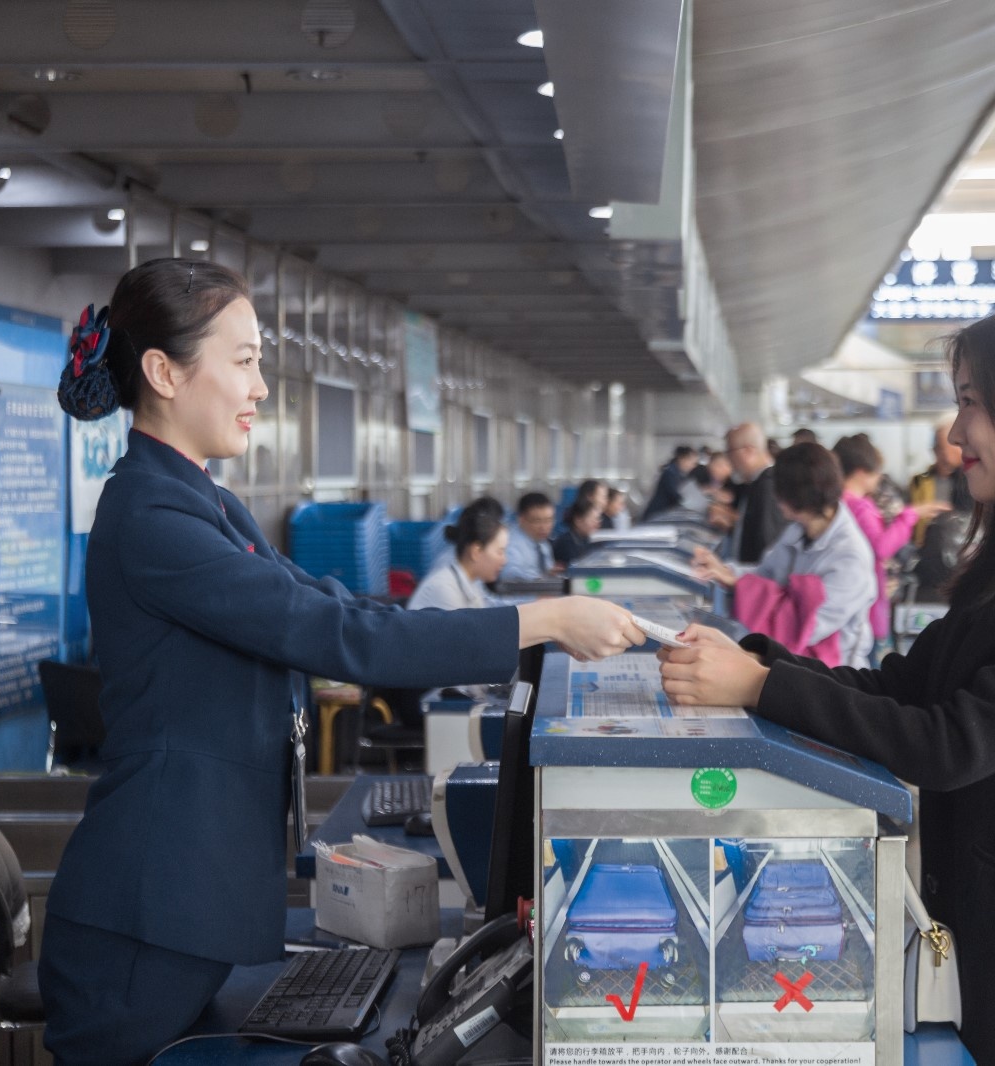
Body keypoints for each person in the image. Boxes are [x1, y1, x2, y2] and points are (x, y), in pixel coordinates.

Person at [38, 259, 643, 1065]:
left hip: (180, 907)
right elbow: (335, 637)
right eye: (245, 360)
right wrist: (539, 622)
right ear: (163, 372)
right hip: (141, 925)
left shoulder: (203, 501)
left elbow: (340, 607)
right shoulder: (151, 517)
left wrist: (522, 622)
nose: (260, 388)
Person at [660, 302, 995, 1065]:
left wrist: (759, 688)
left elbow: (956, 741)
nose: (957, 435)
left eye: (971, 403)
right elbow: (902, 687)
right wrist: (757, 660)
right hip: (989, 920)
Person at [691, 443, 876, 667]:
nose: (776, 501)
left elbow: (802, 627)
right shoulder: (798, 529)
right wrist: (723, 570)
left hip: (832, 673)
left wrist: (740, 584)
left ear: (796, 494)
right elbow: (766, 573)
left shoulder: (849, 558)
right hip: (791, 664)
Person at [833, 433, 951, 662]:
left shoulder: (836, 503)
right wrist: (911, 515)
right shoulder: (859, 507)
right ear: (861, 473)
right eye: (877, 472)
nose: (879, 479)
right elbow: (882, 547)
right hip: (866, 607)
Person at [407, 498, 506, 611]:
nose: (504, 560)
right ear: (476, 551)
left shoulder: (470, 578)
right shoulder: (445, 588)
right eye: (499, 552)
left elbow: (487, 607)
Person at [712, 422, 786, 565]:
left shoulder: (768, 488)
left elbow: (766, 547)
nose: (729, 460)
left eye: (730, 452)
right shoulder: (756, 483)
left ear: (748, 451)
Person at [908, 414, 974, 544]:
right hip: (927, 548)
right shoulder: (919, 481)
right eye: (938, 447)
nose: (941, 453)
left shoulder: (973, 480)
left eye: (945, 447)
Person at [499, 492, 556, 581]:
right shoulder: (510, 544)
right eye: (537, 521)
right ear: (521, 519)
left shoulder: (543, 544)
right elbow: (510, 575)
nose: (544, 527)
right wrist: (539, 579)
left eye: (548, 520)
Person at [644, 446, 699, 519]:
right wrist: (690, 503)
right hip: (656, 513)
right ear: (682, 459)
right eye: (692, 463)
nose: (693, 466)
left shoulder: (679, 474)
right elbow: (674, 494)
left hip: (663, 513)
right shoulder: (670, 473)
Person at [551, 495, 600, 568]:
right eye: (593, 519)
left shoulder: (585, 539)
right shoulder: (565, 544)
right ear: (578, 520)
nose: (597, 524)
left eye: (598, 519)